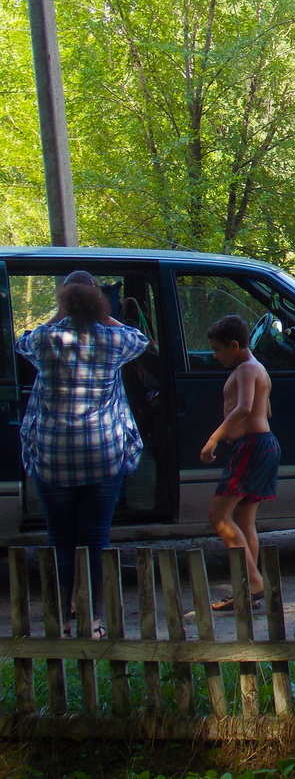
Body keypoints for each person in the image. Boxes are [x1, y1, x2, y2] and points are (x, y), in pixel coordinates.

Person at [16, 270, 149, 639]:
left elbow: (22, 343)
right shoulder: (112, 339)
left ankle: (62, 619)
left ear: (64, 300)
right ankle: (93, 621)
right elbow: (140, 340)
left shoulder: (45, 339)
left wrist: (61, 315)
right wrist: (103, 313)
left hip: (53, 457)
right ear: (97, 300)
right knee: (95, 538)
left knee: (60, 538)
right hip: (102, 454)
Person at [201, 314, 279, 611]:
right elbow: (266, 411)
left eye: (218, 349)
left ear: (234, 345)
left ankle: (255, 584)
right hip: (263, 445)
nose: (215, 355)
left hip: (253, 446)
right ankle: (247, 590)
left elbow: (245, 408)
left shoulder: (246, 369)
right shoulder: (259, 368)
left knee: (219, 515)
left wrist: (214, 439)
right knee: (245, 521)